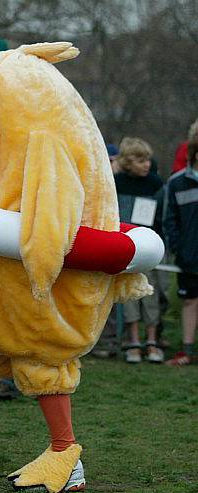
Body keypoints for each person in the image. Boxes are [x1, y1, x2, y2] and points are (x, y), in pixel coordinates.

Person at [114, 138, 164, 363]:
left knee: (151, 293)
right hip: (125, 245)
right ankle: (133, 341)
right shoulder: (116, 183)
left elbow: (162, 215)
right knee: (129, 294)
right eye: (140, 160)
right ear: (127, 161)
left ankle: (152, 341)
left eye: (148, 160)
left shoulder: (155, 184)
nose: (146, 164)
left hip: (151, 245)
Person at [164, 138, 198, 366]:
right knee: (190, 302)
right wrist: (180, 248)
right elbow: (170, 221)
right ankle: (185, 351)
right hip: (190, 257)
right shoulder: (177, 183)